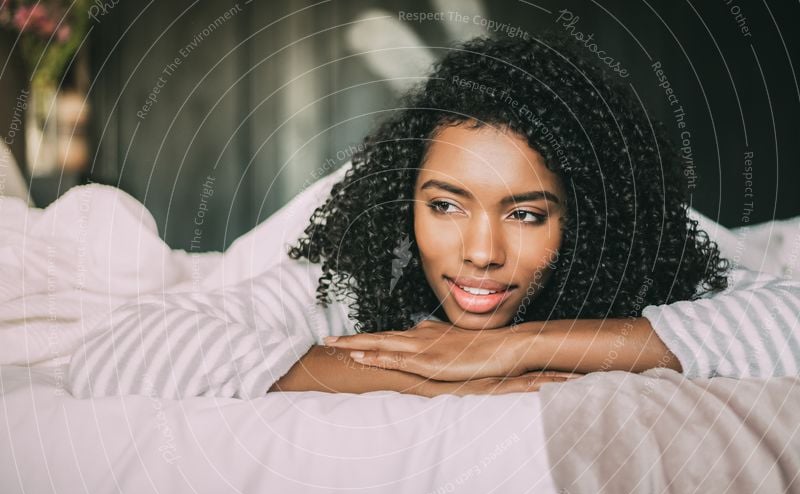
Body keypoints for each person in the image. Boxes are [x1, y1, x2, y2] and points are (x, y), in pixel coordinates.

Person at [68, 34, 800, 399]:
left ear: (588, 220)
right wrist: (432, 373)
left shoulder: (644, 249)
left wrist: (517, 347)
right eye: (445, 205)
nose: (479, 252)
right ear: (406, 199)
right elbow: (116, 349)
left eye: (527, 213)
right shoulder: (359, 273)